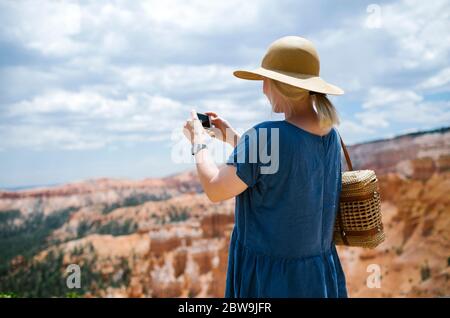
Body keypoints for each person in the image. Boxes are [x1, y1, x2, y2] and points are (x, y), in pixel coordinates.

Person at [183, 36, 347, 297]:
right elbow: (280, 168)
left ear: (278, 85)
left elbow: (216, 190)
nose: (262, 89)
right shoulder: (331, 135)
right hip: (318, 276)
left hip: (271, 282)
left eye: (265, 81)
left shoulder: (266, 136)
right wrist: (232, 138)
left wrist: (198, 143)